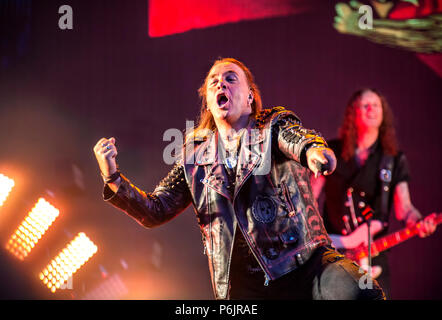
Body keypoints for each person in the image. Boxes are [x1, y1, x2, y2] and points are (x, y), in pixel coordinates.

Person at [93, 58, 385, 300]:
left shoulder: (273, 124)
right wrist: (112, 175)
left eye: (231, 78)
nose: (222, 83)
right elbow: (155, 211)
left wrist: (314, 152)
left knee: (361, 293)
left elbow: (297, 139)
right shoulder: (194, 158)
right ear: (208, 102)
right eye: (214, 81)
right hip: (245, 288)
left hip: (306, 266)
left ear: (248, 97)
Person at [311, 88, 437, 299]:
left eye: (376, 105)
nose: (371, 109)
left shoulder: (392, 159)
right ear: (353, 113)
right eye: (365, 105)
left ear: (383, 113)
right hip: (332, 254)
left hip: (372, 258)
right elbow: (309, 198)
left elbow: (404, 208)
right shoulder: (330, 152)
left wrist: (419, 221)